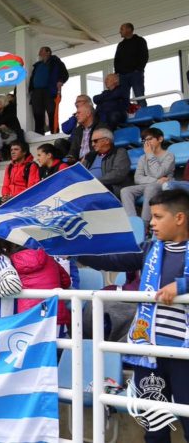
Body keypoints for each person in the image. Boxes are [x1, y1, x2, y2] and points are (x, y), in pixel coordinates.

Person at [78, 189, 189, 442]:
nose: (151, 222)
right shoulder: (149, 249)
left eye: (159, 217)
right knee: (153, 424)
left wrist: (182, 286)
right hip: (148, 354)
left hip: (185, 355)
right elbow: (112, 259)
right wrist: (74, 250)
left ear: (180, 218)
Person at [121, 127, 175, 224]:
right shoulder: (143, 158)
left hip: (165, 185)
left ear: (160, 139)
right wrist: (155, 180)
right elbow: (137, 178)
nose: (147, 143)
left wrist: (150, 155)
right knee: (125, 190)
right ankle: (133, 223)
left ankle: (144, 224)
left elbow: (158, 173)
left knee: (150, 188)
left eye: (150, 139)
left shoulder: (169, 155)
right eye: (144, 140)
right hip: (152, 184)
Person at [28, 46, 69, 134]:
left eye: (41, 51)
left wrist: (61, 81)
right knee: (37, 114)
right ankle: (39, 134)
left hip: (49, 91)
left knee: (51, 112)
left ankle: (54, 133)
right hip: (37, 92)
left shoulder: (56, 62)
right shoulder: (37, 65)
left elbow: (65, 73)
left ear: (48, 52)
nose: (39, 53)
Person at [0, 141, 39, 209]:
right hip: (10, 197)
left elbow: (31, 189)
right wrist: (5, 196)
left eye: (16, 149)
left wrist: (13, 197)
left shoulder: (32, 166)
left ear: (24, 152)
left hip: (23, 198)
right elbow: (5, 185)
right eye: (11, 150)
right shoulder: (9, 167)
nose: (12, 152)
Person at [82, 127, 132, 197]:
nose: (93, 144)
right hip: (89, 187)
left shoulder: (119, 152)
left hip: (111, 188)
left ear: (106, 141)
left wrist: (96, 182)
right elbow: (81, 173)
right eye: (92, 142)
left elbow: (118, 174)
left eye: (95, 141)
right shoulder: (90, 156)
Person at [115, 23, 149, 106]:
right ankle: (125, 116)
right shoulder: (121, 45)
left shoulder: (140, 41)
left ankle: (144, 115)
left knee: (139, 96)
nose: (120, 31)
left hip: (135, 74)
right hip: (122, 76)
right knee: (123, 98)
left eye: (122, 29)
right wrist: (117, 73)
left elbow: (144, 55)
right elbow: (117, 59)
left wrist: (138, 69)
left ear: (129, 29)